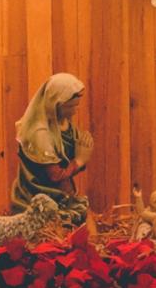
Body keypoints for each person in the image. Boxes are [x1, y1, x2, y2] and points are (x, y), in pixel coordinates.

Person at [10, 72, 94, 222]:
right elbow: (55, 175)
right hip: (39, 196)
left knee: (84, 217)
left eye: (76, 105)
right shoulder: (40, 133)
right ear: (56, 104)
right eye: (70, 106)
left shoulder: (63, 124)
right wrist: (80, 160)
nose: (75, 110)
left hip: (61, 194)